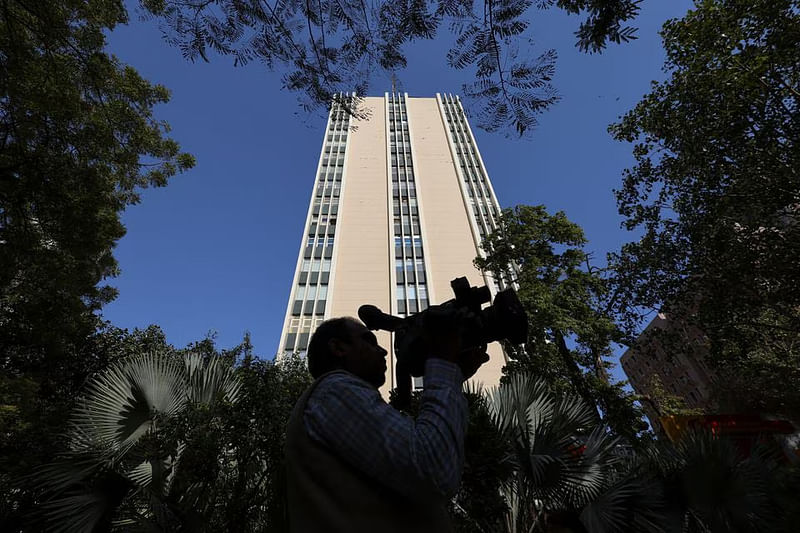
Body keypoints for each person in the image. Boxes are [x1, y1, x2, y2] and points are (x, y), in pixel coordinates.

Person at [285, 315, 489, 533]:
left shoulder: (335, 398)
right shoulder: (334, 390)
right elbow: (434, 468)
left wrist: (453, 373)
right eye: (369, 341)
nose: (383, 351)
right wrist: (443, 364)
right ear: (338, 347)